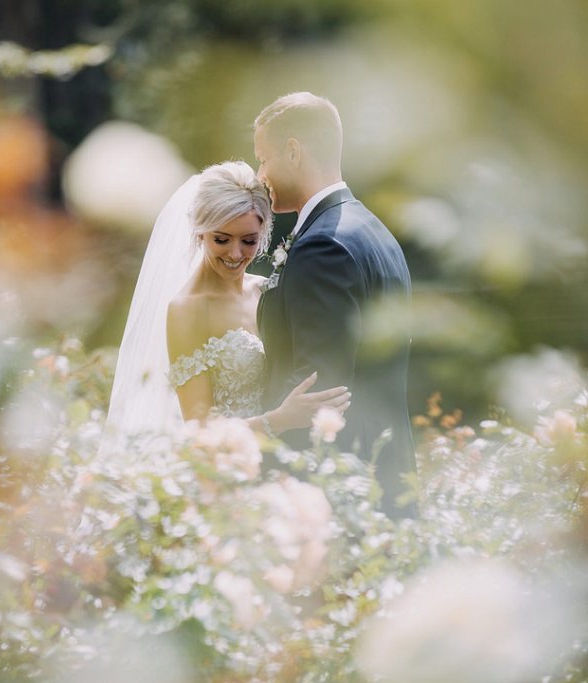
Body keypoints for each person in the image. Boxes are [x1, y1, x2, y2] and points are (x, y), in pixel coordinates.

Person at [102, 161, 350, 455]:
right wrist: (281, 419)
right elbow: (199, 433)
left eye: (248, 241)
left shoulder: (268, 290)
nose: (235, 254)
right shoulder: (188, 310)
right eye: (221, 239)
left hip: (287, 459)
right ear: (200, 233)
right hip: (229, 471)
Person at [253, 92, 417, 517]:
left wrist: (262, 482)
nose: (260, 174)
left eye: (263, 159)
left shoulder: (322, 246)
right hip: (385, 478)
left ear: (292, 151)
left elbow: (316, 394)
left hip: (339, 495)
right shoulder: (372, 229)